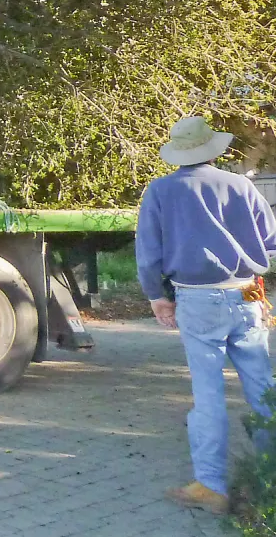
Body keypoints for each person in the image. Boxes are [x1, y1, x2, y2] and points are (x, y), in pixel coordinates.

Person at [136, 115, 276, 516]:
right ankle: (271, 473)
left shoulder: (161, 191)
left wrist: (156, 297)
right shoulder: (242, 185)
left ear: (178, 152)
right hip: (249, 289)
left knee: (208, 392)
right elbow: (270, 240)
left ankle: (211, 485)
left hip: (197, 297)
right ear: (212, 147)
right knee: (263, 386)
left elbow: (149, 252)